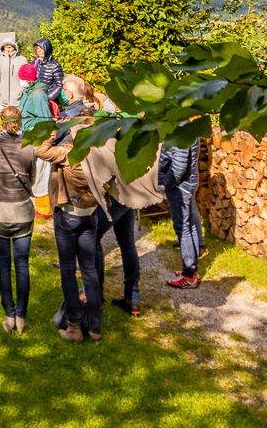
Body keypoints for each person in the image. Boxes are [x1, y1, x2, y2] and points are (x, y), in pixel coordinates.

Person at [36, 74, 104, 342]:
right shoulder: (99, 152)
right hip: (90, 213)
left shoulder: (68, 153)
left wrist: (53, 132)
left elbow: (41, 151)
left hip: (68, 214)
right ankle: (96, 326)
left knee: (67, 268)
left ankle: (74, 324)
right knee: (89, 269)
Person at [86, 92, 163, 316]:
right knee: (127, 243)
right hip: (131, 193)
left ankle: (96, 293)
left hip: (119, 194)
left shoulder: (123, 126)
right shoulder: (141, 127)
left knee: (93, 236)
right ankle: (133, 296)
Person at [0, 103, 39, 334]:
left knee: (3, 263)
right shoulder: (29, 148)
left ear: (2, 123)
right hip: (21, 211)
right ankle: (21, 316)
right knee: (22, 264)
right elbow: (32, 179)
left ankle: (9, 313)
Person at [160, 137, 205, 287]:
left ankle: (189, 275)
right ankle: (191, 270)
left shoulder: (182, 129)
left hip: (180, 187)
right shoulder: (187, 126)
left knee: (183, 228)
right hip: (187, 184)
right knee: (189, 226)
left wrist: (165, 184)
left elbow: (179, 167)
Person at [0, 31, 21, 111]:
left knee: (17, 121)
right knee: (4, 122)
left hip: (17, 100)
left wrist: (20, 91)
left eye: (10, 47)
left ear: (15, 47)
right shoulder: (0, 60)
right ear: (3, 48)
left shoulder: (22, 59)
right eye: (6, 47)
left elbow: (25, 78)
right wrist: (0, 89)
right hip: (3, 100)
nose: (8, 49)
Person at [31, 38, 64, 104]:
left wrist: (47, 98)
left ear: (47, 48)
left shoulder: (55, 65)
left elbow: (59, 85)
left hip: (49, 102)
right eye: (37, 48)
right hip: (35, 98)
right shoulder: (35, 62)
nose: (39, 51)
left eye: (41, 48)